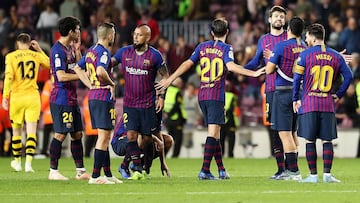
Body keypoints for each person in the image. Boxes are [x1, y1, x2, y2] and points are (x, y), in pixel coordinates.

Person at [156, 18, 264, 180]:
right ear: (227, 32)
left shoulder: (202, 46)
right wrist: (253, 73)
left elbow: (187, 63)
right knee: (213, 133)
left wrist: (170, 79)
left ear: (212, 33)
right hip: (215, 95)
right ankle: (205, 170)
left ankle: (221, 170)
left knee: (216, 134)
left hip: (203, 95)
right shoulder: (226, 48)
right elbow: (232, 67)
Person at [293, 23, 353, 183]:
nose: (306, 39)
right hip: (327, 104)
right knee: (327, 141)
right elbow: (349, 76)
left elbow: (297, 79)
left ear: (313, 38)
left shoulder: (304, 56)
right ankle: (327, 175)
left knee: (309, 140)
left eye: (307, 37)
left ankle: (313, 176)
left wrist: (295, 99)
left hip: (309, 104)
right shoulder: (336, 56)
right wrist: (338, 94)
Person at [112, 24, 170, 180]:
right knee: (131, 135)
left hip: (147, 104)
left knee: (146, 138)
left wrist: (161, 96)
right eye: (135, 34)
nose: (135, 37)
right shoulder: (124, 52)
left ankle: (135, 166)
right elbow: (109, 63)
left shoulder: (155, 56)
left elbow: (166, 77)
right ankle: (137, 169)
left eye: (139, 35)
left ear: (147, 37)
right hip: (130, 104)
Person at [244, 5, 287, 179]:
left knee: (289, 130)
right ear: (269, 19)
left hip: (288, 89)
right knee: (275, 129)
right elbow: (255, 61)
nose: (279, 19)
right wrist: (238, 69)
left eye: (282, 17)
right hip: (270, 89)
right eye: (276, 16)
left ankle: (292, 168)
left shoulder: (290, 37)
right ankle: (281, 169)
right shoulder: (264, 39)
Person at [76, 22, 122, 184]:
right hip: (103, 96)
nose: (114, 37)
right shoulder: (104, 53)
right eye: (114, 34)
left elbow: (77, 68)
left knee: (104, 136)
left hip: (93, 95)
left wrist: (90, 84)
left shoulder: (90, 52)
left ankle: (108, 174)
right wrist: (111, 83)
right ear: (109, 36)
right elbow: (101, 71)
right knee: (103, 137)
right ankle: (95, 176)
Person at [48, 16, 91, 181]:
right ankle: (53, 171)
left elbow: (79, 66)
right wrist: (80, 76)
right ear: (71, 31)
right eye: (78, 29)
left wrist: (78, 50)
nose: (80, 32)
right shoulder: (57, 50)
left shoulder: (71, 48)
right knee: (60, 134)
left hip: (71, 98)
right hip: (61, 98)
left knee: (77, 134)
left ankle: (80, 171)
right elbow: (61, 76)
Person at [265, 17, 306, 180]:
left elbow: (269, 70)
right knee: (294, 132)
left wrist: (271, 60)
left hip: (282, 92)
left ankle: (293, 171)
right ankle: (292, 168)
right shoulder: (304, 46)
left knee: (284, 133)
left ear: (288, 29)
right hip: (299, 93)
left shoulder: (281, 46)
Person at [2, 33, 49, 172]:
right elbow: (49, 64)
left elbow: (9, 77)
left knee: (16, 131)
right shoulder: (35, 55)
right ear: (29, 43)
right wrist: (39, 49)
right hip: (33, 97)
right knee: (31, 131)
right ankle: (28, 164)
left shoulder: (10, 57)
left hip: (17, 97)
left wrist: (5, 96)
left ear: (17, 43)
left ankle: (17, 162)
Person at [163, 77, 186, 158]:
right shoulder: (177, 92)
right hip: (177, 119)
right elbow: (177, 105)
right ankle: (175, 155)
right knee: (178, 139)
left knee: (169, 138)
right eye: (181, 83)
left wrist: (166, 114)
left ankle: (164, 154)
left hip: (167, 119)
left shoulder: (167, 90)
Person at [220, 79, 239, 158]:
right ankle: (230, 154)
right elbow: (232, 108)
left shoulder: (219, 95)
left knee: (221, 138)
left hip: (221, 119)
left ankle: (221, 154)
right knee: (231, 138)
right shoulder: (232, 96)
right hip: (230, 120)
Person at [39, 78, 54, 157]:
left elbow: (45, 99)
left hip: (48, 115)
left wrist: (42, 108)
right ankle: (56, 151)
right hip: (58, 113)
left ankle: (44, 151)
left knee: (46, 134)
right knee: (59, 134)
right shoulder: (60, 81)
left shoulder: (48, 83)